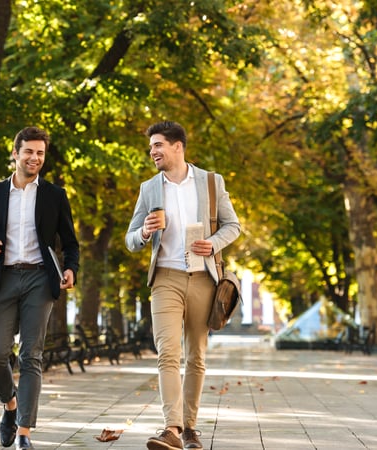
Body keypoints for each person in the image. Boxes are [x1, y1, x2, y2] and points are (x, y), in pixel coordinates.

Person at [125, 121, 240, 450]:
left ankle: (190, 428)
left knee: (196, 355)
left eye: (158, 145)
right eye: (151, 147)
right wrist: (144, 232)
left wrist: (213, 243)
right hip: (165, 278)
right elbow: (131, 239)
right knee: (167, 354)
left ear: (178, 146)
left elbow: (234, 226)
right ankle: (171, 428)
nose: (153, 152)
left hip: (203, 278)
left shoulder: (211, 182)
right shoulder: (149, 189)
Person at [0, 126, 79, 450]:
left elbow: (70, 243)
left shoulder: (54, 195)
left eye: (40, 153)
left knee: (31, 355)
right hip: (2, 280)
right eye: (29, 151)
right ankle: (10, 405)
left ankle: (24, 432)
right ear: (15, 153)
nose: (35, 158)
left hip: (38, 281)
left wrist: (71, 268)